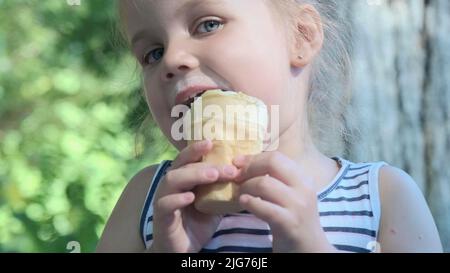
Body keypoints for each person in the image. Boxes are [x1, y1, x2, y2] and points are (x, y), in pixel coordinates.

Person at [96, 0, 442, 253]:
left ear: (301, 36)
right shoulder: (149, 198)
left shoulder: (382, 196)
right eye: (153, 53)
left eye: (208, 24)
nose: (172, 59)